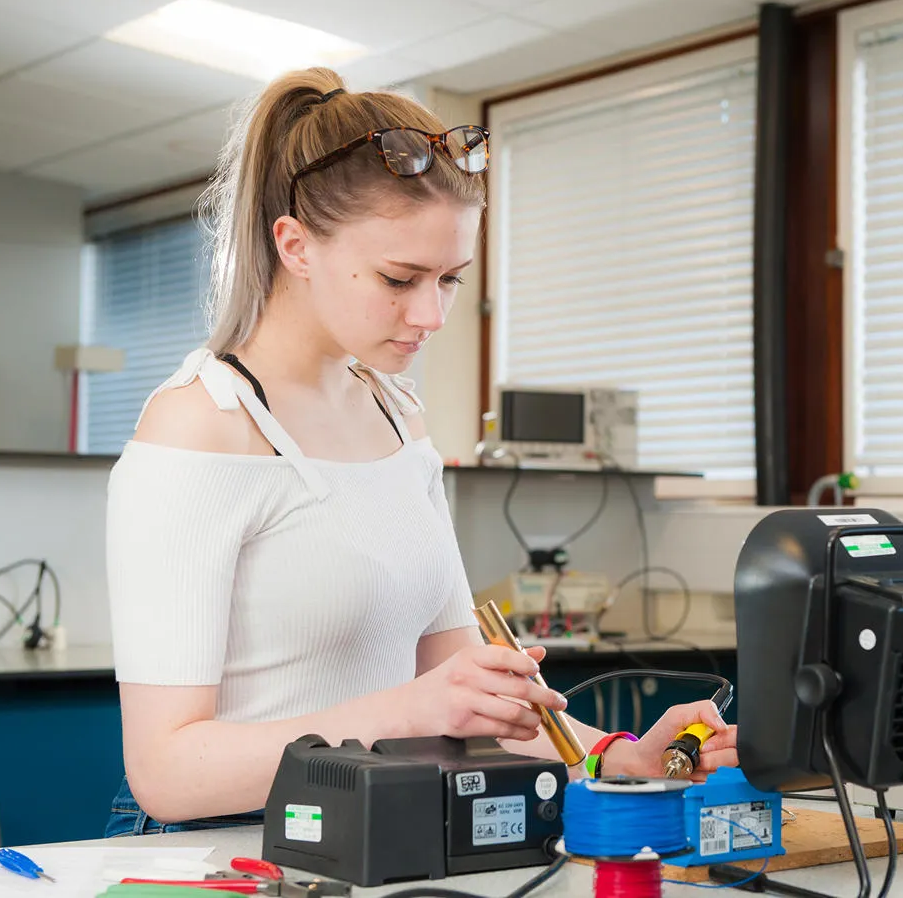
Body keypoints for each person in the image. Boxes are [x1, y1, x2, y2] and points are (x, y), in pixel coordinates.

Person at [102, 67, 738, 836]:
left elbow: (464, 694)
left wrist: (614, 756)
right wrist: (405, 709)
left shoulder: (397, 415)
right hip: (229, 851)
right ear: (295, 245)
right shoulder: (199, 425)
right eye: (401, 278)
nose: (431, 314)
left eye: (449, 279)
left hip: (386, 834)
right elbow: (167, 775)